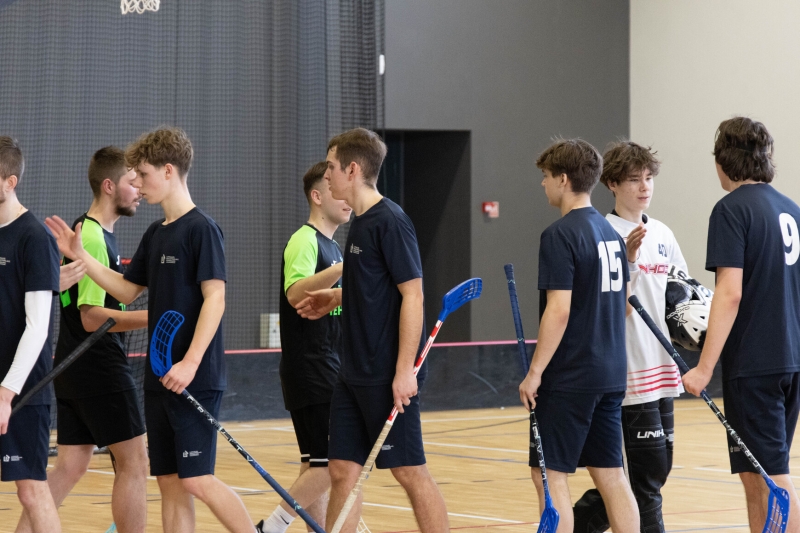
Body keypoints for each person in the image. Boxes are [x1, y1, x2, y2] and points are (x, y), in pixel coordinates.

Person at [45, 127, 257, 533]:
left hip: (194, 377)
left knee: (196, 479)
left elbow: (215, 298)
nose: (138, 184)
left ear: (169, 170)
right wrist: (82, 257)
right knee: (170, 483)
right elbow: (126, 290)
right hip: (159, 378)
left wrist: (190, 363)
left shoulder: (202, 229)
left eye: (143, 174)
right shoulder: (156, 233)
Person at [296, 128, 449, 533]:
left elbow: (412, 295)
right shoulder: (360, 222)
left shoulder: (391, 222)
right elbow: (375, 288)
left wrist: (404, 371)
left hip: (386, 373)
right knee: (342, 470)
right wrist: (335, 296)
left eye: (331, 166)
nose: (326, 174)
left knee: (408, 471)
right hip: (352, 373)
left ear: (352, 170)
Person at [19, 147, 150, 533]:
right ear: (109, 186)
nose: (140, 190)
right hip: (98, 365)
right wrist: (156, 317)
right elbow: (92, 318)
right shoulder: (90, 237)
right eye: (132, 182)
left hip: (74, 366)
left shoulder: (92, 233)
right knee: (135, 463)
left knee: (71, 466)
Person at [683, 117, 800, 532]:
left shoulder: (730, 210)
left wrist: (703, 368)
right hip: (790, 360)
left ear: (723, 161)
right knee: (756, 475)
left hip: (755, 364)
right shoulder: (791, 209)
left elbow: (729, 293)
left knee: (772, 477)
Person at [518, 138, 639, 533]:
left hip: (571, 375)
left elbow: (559, 309)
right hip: (611, 373)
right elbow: (623, 306)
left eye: (546, 176)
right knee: (611, 475)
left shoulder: (560, 235)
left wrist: (535, 372)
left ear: (563, 179)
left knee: (549, 475)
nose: (543, 183)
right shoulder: (610, 234)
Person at [572, 141, 688, 532]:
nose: (644, 187)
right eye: (634, 179)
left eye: (649, 178)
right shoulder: (603, 233)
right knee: (646, 477)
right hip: (628, 372)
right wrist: (630, 262)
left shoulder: (663, 232)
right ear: (612, 184)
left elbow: (681, 293)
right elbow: (607, 309)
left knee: (653, 473)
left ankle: (573, 526)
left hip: (662, 368)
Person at [256, 161, 351, 533]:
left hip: (325, 366)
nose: (346, 198)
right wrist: (345, 269)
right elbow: (296, 293)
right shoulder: (304, 240)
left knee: (316, 465)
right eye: (336, 190)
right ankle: (272, 528)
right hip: (312, 367)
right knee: (332, 464)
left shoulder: (333, 247)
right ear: (317, 196)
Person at [0, 136, 62, 533]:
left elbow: (37, 326)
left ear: (11, 182)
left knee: (31, 490)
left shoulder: (35, 237)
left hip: (22, 390)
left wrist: (6, 395)